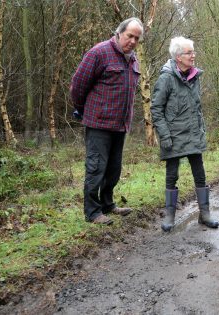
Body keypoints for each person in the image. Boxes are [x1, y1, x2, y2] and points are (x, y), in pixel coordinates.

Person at [70, 17, 144, 225]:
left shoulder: (133, 59)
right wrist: (83, 110)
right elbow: (78, 86)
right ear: (119, 33)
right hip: (98, 124)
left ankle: (107, 204)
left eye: (137, 38)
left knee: (113, 169)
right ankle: (92, 212)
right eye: (130, 36)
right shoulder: (99, 53)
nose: (132, 41)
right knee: (96, 167)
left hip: (120, 125)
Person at [151, 36, 219, 232]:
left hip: (193, 134)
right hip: (172, 137)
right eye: (189, 53)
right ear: (178, 57)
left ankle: (204, 213)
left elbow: (197, 108)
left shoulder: (195, 76)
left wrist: (201, 130)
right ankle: (170, 216)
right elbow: (156, 109)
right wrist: (164, 136)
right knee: (171, 176)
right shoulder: (166, 78)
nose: (193, 56)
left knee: (200, 174)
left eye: (193, 52)